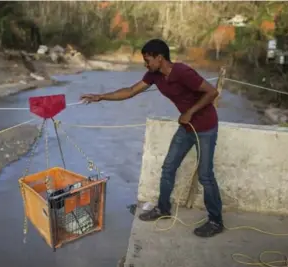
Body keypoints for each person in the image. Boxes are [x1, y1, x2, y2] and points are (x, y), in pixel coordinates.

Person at [80, 39, 223, 238]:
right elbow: (130, 91)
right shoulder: (154, 76)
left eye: (148, 60)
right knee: (168, 168)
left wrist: (190, 112)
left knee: (206, 175)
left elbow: (212, 92)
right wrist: (101, 97)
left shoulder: (182, 72)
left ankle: (216, 221)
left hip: (206, 126)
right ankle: (162, 209)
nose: (146, 64)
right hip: (186, 128)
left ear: (160, 57)